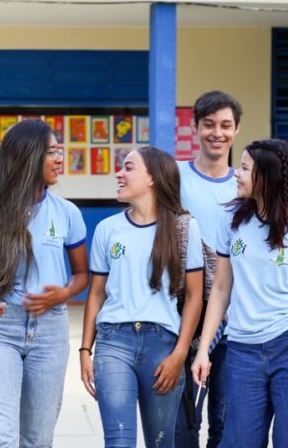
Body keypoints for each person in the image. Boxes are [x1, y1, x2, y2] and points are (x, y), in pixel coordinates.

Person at [191, 139, 288, 448]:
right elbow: (221, 289)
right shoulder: (233, 222)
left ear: (267, 176)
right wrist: (204, 348)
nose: (236, 173)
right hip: (242, 349)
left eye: (245, 168)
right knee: (238, 441)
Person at [0, 119, 89, 448]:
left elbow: (82, 275)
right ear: (27, 156)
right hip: (0, 329)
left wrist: (64, 293)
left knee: (37, 440)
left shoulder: (68, 213)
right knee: (0, 438)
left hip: (50, 333)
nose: (59, 159)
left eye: (60, 150)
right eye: (51, 152)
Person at [80, 147, 204, 448]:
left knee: (161, 442)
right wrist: (85, 349)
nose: (119, 174)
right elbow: (96, 294)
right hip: (113, 341)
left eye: (128, 168)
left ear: (153, 179)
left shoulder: (183, 227)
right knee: (118, 442)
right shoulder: (108, 229)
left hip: (163, 344)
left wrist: (179, 354)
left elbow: (195, 296)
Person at [175, 90, 241, 448]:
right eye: (209, 125)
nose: (218, 133)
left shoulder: (245, 183)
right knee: (184, 421)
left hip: (235, 321)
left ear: (236, 129)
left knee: (227, 420)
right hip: (185, 314)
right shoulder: (175, 175)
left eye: (226, 126)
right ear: (195, 127)